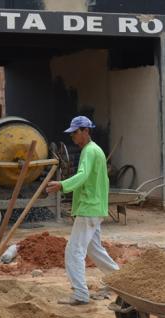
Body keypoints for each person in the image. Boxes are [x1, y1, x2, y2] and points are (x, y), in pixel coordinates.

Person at [46, 116, 119, 305]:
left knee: (74, 251)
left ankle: (80, 293)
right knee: (95, 250)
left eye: (75, 133)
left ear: (85, 131)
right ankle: (119, 280)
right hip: (94, 208)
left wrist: (62, 185)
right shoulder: (95, 150)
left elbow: (83, 176)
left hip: (90, 208)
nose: (73, 138)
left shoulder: (90, 151)